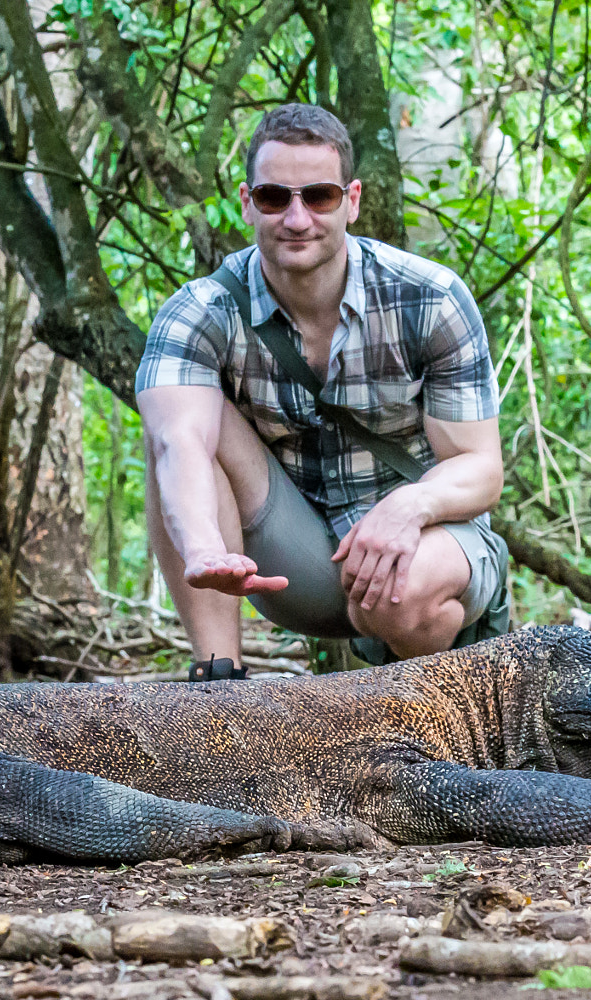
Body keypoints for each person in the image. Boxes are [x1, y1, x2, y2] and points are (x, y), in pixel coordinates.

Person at [136, 104, 507, 678]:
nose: (297, 217)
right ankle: (217, 687)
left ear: (351, 200)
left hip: (425, 546)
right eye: (274, 197)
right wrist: (205, 546)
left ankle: (440, 709)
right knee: (178, 423)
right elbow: (177, 441)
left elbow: (481, 468)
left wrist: (407, 507)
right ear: (246, 201)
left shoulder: (429, 298)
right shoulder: (199, 311)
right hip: (293, 559)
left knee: (401, 591)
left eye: (319, 196)